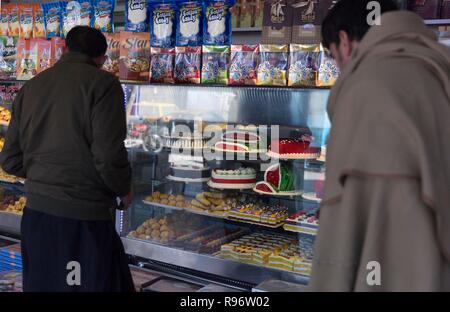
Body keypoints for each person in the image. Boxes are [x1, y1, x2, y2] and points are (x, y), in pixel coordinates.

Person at [309, 0, 450, 291]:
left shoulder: (362, 92)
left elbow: (341, 234)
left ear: (345, 42)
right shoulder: (441, 69)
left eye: (335, 58)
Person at [0, 26, 134, 292]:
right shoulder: (104, 84)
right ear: (102, 58)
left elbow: (10, 159)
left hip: (36, 216)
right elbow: (108, 155)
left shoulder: (32, 85)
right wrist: (123, 189)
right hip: (82, 220)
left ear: (64, 50)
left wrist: (46, 173)